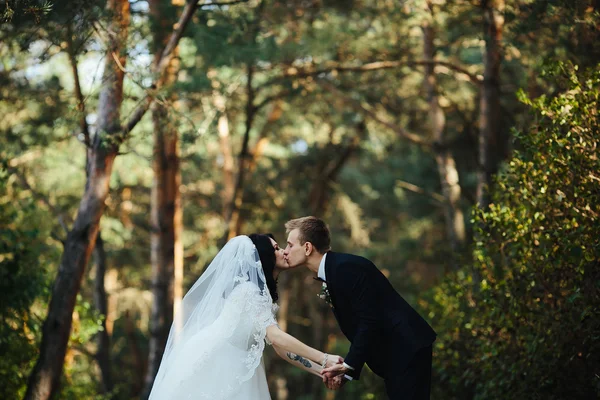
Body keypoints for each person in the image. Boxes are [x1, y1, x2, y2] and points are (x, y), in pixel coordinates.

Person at [148, 234, 342, 400]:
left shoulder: (260, 294)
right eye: (276, 248)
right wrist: (325, 358)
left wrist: (321, 370)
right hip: (218, 364)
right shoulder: (248, 292)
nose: (283, 251)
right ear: (262, 256)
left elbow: (281, 349)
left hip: (237, 363)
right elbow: (276, 337)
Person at [283, 216, 437, 400]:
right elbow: (362, 325)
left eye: (290, 245)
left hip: (406, 349)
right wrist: (347, 372)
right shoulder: (334, 270)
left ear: (307, 248)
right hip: (396, 355)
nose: (285, 251)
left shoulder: (346, 268)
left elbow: (370, 321)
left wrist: (349, 365)